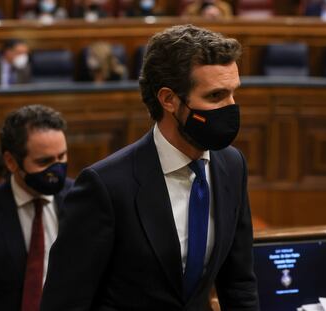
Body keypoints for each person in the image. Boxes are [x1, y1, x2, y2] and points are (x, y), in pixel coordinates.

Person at [41, 24, 259, 310]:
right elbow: (65, 303)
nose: (231, 107)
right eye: (215, 96)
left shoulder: (232, 165)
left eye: (233, 93)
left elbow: (239, 284)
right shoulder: (105, 186)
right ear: (168, 99)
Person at [0, 104, 73, 311]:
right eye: (45, 161)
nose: (57, 169)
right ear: (11, 162)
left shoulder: (81, 199)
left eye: (62, 157)